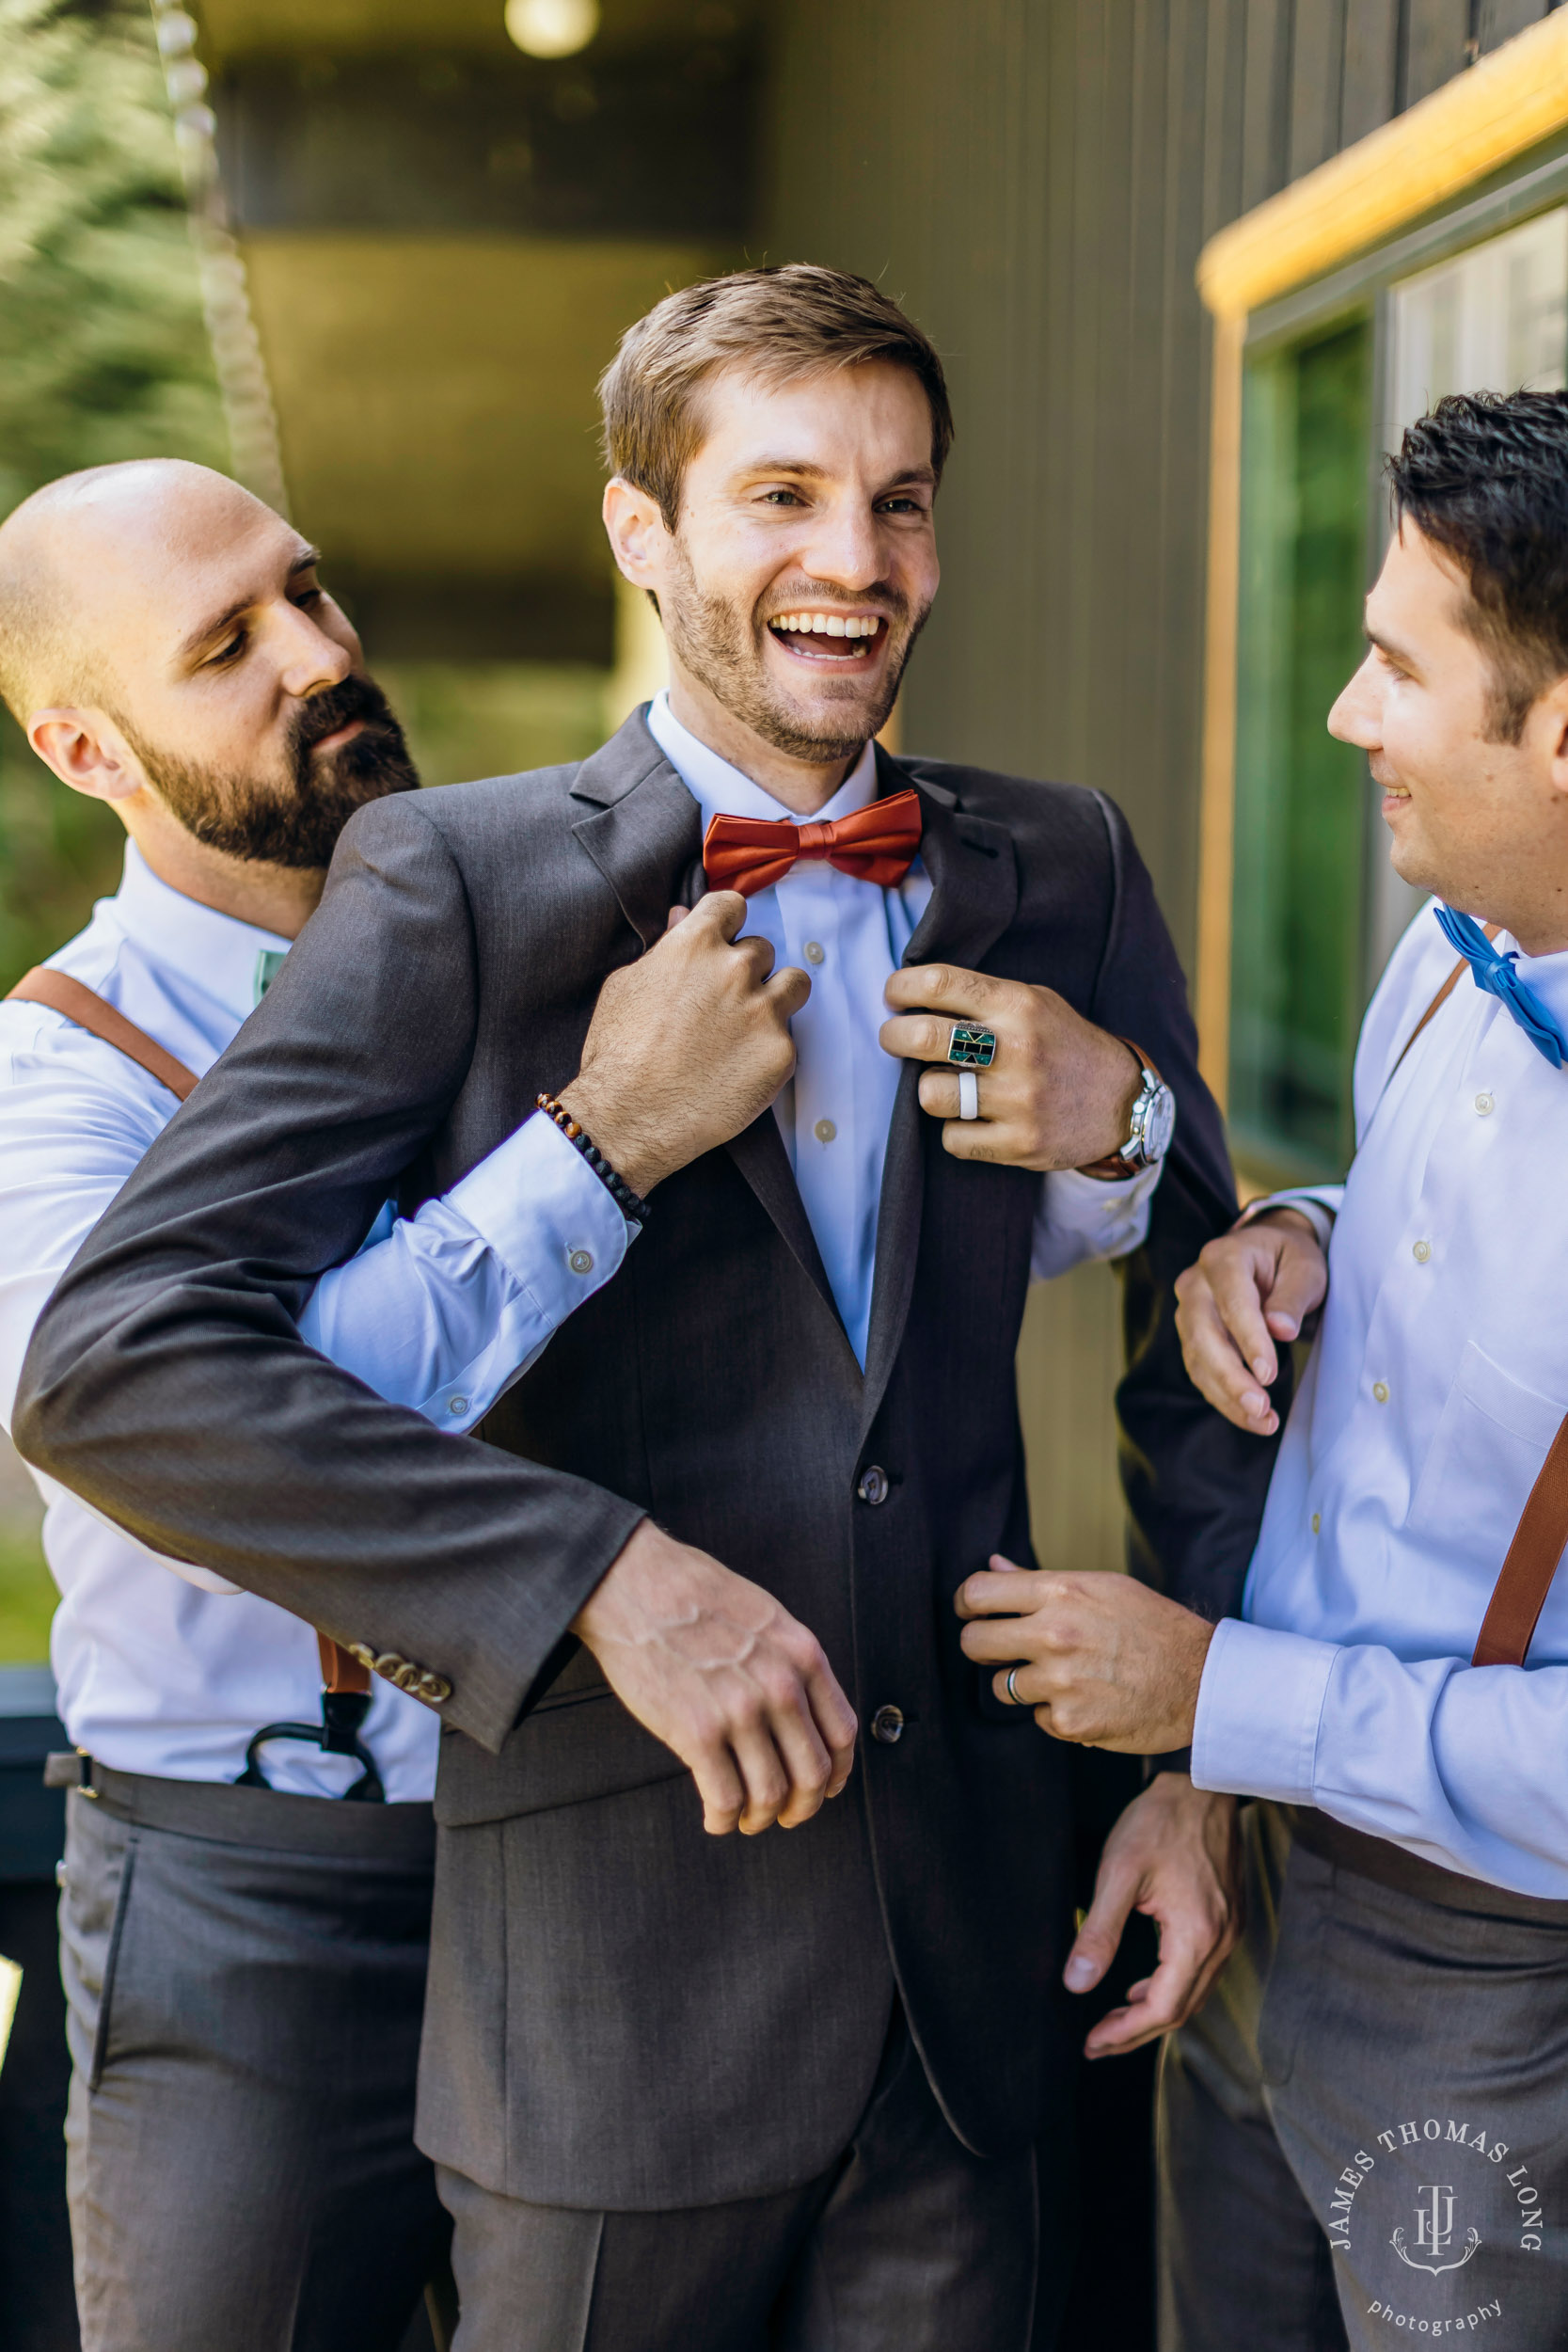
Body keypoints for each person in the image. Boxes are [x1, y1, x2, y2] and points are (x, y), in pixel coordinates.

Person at [15, 269, 1275, 2352]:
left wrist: (1201, 1752)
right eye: (780, 494)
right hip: (602, 1982)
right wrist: (595, 1540)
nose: (851, 563)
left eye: (900, 502)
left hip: (988, 1956)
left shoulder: (1070, 860)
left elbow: (1215, 1302)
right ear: (642, 533)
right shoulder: (454, 884)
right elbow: (127, 1363)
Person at [0, 458, 806, 2352]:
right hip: (251, 1896)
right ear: (82, 744)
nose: (317, 654)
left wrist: (1136, 1139)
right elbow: (167, 1443)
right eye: (226, 646)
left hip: (598, 1846)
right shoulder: (58, 1074)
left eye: (311, 590)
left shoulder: (563, 936)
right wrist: (598, 1144)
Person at [954, 389, 1568, 2350]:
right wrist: (1301, 1229)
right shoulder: (1459, 938)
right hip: (1250, 1889)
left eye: (1398, 666)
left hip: (1490, 1977)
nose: (1344, 715)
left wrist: (1222, 1692)